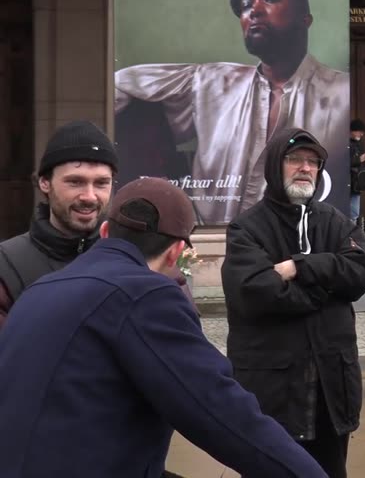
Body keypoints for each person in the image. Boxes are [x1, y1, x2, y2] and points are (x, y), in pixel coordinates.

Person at [0, 177, 326, 477]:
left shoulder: (39, 290)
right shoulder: (145, 295)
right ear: (176, 253)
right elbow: (222, 413)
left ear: (104, 232)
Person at [115, 0, 350, 224]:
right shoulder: (211, 82)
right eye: (246, 5)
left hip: (296, 247)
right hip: (209, 246)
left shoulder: (343, 93)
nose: (254, 11)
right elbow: (116, 85)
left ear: (305, 20)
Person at [221, 128, 365, 478]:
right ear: (276, 167)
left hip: (330, 394)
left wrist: (300, 266)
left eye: (313, 162)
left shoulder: (336, 223)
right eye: (295, 160)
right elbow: (254, 290)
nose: (305, 168)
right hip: (272, 393)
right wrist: (324, 292)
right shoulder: (247, 229)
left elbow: (361, 271)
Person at [0, 121, 120, 327]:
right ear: (44, 183)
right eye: (75, 182)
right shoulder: (6, 264)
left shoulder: (135, 257)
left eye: (101, 183)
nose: (90, 197)